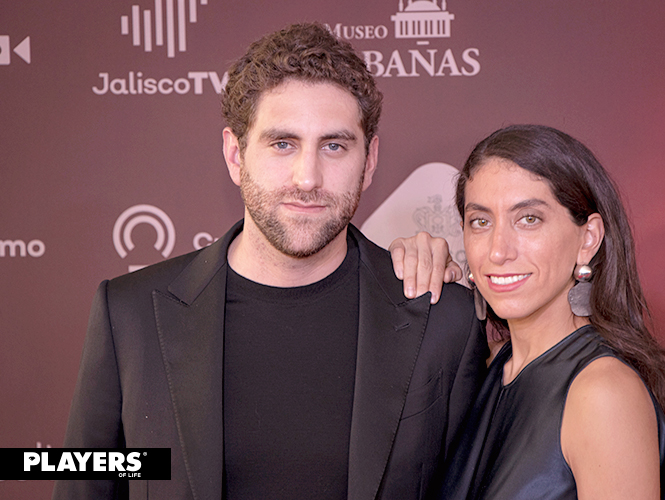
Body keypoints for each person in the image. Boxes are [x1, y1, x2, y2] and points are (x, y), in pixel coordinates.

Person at [52, 23, 488, 500]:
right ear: (235, 155)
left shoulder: (443, 320)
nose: (308, 178)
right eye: (283, 144)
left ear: (369, 161)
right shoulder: (130, 315)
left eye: (334, 146)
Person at [433, 124, 665, 499]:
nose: (498, 251)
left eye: (529, 219)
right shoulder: (489, 369)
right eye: (481, 222)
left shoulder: (603, 393)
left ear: (588, 238)